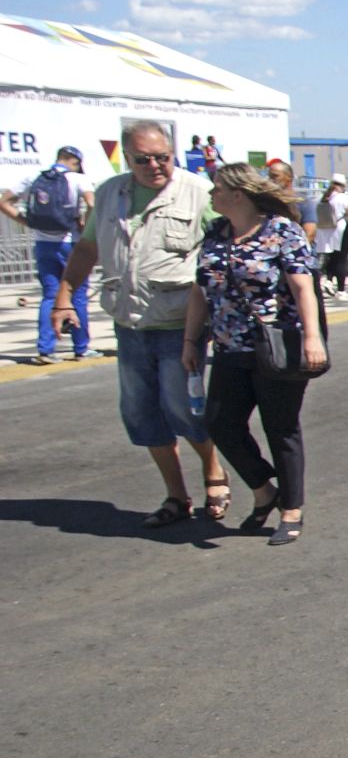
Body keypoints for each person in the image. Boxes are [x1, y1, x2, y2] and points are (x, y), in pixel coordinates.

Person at [51, 121, 231, 527]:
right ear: (126, 158)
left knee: (183, 408)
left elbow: (225, 249)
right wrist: (64, 297)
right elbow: (87, 248)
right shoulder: (110, 193)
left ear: (173, 153)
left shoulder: (200, 192)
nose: (155, 165)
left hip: (178, 322)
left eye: (162, 157)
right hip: (129, 321)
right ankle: (176, 496)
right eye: (143, 159)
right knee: (142, 414)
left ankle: (213, 470)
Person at [183, 164, 326, 546]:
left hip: (276, 346)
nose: (211, 196)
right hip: (229, 347)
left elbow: (303, 287)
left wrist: (313, 338)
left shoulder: (282, 232)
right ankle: (265, 490)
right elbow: (200, 291)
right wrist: (190, 342)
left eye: (216, 189)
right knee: (220, 423)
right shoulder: (216, 233)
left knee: (281, 428)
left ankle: (291, 509)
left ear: (237, 194)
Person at [2, 144, 95, 364]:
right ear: (76, 161)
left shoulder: (34, 177)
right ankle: (81, 348)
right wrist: (84, 226)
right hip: (70, 243)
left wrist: (27, 222)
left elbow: (4, 202)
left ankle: (46, 350)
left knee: (50, 295)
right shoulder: (77, 179)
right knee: (77, 295)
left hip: (43, 243)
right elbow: (92, 203)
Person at [312, 173, 348, 296]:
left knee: (330, 258)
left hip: (324, 232)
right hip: (341, 231)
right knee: (341, 259)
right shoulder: (344, 198)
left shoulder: (322, 197)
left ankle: (328, 280)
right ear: (342, 185)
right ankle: (341, 289)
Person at [263, 159, 318, 248]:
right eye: (269, 176)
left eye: (275, 176)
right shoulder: (267, 203)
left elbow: (310, 233)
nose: (270, 180)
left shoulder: (303, 202)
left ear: (288, 177)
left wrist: (295, 252)